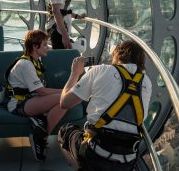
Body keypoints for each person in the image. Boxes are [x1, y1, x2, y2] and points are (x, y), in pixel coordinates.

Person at [58, 40, 152, 171]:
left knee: (65, 131)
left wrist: (75, 73)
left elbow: (64, 103)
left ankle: (82, 167)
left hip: (96, 155)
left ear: (117, 55)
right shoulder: (146, 82)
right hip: (127, 162)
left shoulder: (100, 70)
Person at [5, 29, 67, 162]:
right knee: (65, 98)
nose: (48, 47)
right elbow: (42, 92)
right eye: (45, 44)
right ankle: (39, 129)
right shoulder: (26, 64)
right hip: (18, 104)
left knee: (65, 103)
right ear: (34, 46)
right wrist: (65, 90)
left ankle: (40, 137)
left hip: (31, 100)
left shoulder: (36, 61)